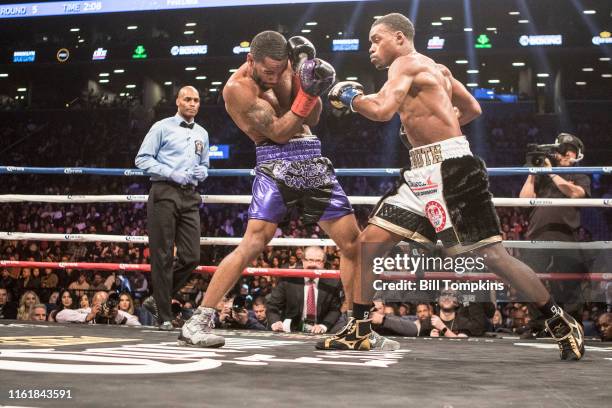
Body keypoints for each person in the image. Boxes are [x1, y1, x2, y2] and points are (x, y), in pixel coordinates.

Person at [321, 13, 584, 360]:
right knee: (368, 244)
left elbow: (382, 109)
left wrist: (351, 96)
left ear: (399, 37)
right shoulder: (439, 69)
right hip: (422, 171)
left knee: (493, 256)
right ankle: (359, 330)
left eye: (376, 39)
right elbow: (472, 108)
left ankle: (559, 321)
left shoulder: (404, 64)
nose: (370, 47)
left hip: (453, 171)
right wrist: (434, 125)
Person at [178, 31, 365, 348]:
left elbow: (313, 117)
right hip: (274, 163)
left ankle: (356, 328)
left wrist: (309, 86)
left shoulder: (284, 67)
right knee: (252, 243)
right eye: (269, 72)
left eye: (282, 71)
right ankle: (199, 321)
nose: (276, 78)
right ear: (251, 60)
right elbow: (278, 133)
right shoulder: (238, 88)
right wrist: (305, 96)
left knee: (353, 243)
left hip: (311, 156)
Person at [135, 85, 210, 331]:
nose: (192, 104)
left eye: (196, 100)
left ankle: (158, 299)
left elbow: (205, 163)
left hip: (190, 195)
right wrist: (171, 173)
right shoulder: (161, 127)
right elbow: (142, 159)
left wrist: (203, 171)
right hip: (164, 191)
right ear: (178, 101)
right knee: (163, 255)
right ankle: (164, 316)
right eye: (188, 99)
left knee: (191, 256)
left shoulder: (202, 132)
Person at [519, 133, 591, 322]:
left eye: (571, 152)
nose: (567, 156)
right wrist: (533, 174)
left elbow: (576, 194)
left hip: (566, 234)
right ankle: (537, 324)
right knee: (531, 280)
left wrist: (551, 173)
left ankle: (571, 322)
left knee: (569, 281)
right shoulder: (540, 176)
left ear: (578, 155)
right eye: (563, 152)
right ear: (556, 154)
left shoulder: (579, 175)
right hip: (537, 234)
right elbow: (524, 201)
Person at [266, 246, 343, 334]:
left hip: (320, 329)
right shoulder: (289, 278)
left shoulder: (332, 282)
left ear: (323, 263)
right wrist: (276, 322)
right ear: (303, 261)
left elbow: (335, 309)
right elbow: (272, 305)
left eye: (318, 261)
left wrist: (323, 326)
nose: (313, 264)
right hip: (290, 330)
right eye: (309, 260)